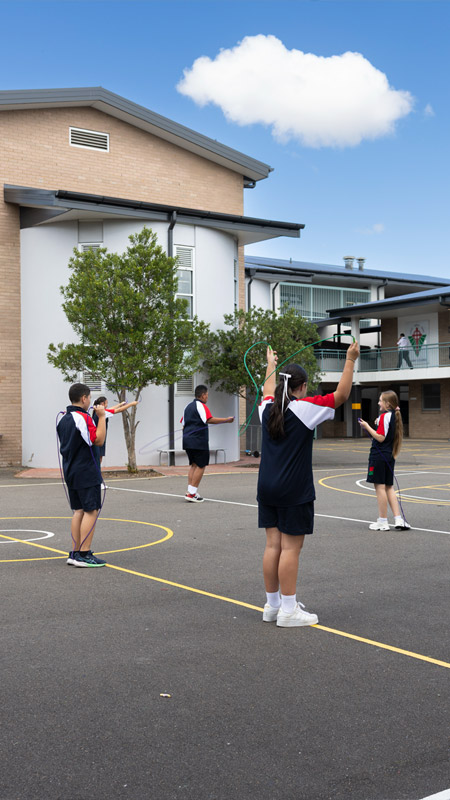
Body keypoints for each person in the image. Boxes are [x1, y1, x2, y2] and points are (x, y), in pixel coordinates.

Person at [258, 341, 360, 628]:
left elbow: (268, 391)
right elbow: (341, 395)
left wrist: (270, 364)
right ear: (301, 387)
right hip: (293, 488)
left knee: (272, 545)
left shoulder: (266, 409)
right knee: (290, 549)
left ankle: (273, 605)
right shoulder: (305, 408)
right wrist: (350, 359)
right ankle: (288, 610)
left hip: (266, 486)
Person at [57, 383, 107, 567]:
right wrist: (101, 417)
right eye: (89, 397)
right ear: (84, 398)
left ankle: (75, 552)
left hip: (71, 470)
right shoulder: (82, 417)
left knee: (78, 510)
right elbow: (98, 440)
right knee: (91, 510)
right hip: (85, 470)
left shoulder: (64, 419)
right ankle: (84, 554)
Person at [358, 390, 410, 532]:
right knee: (389, 487)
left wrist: (367, 426)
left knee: (380, 488)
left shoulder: (384, 417)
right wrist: (377, 421)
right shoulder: (394, 416)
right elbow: (385, 430)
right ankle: (398, 519)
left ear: (387, 404)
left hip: (378, 456)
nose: (378, 402)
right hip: (389, 456)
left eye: (380, 400)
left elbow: (380, 437)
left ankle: (382, 521)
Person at [181, 384, 234, 502]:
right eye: (207, 395)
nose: (207, 397)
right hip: (198, 441)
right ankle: (192, 494)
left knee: (194, 465)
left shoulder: (187, 407)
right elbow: (209, 419)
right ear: (203, 395)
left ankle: (190, 491)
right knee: (201, 465)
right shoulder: (201, 406)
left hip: (187, 440)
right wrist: (227, 420)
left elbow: (183, 425)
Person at [92, 396, 139, 468]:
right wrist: (132, 404)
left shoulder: (98, 412)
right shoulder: (103, 413)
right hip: (99, 438)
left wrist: (120, 404)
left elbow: (111, 409)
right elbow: (119, 410)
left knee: (98, 459)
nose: (107, 405)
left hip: (97, 438)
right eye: (106, 403)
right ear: (102, 404)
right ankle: (97, 475)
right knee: (98, 460)